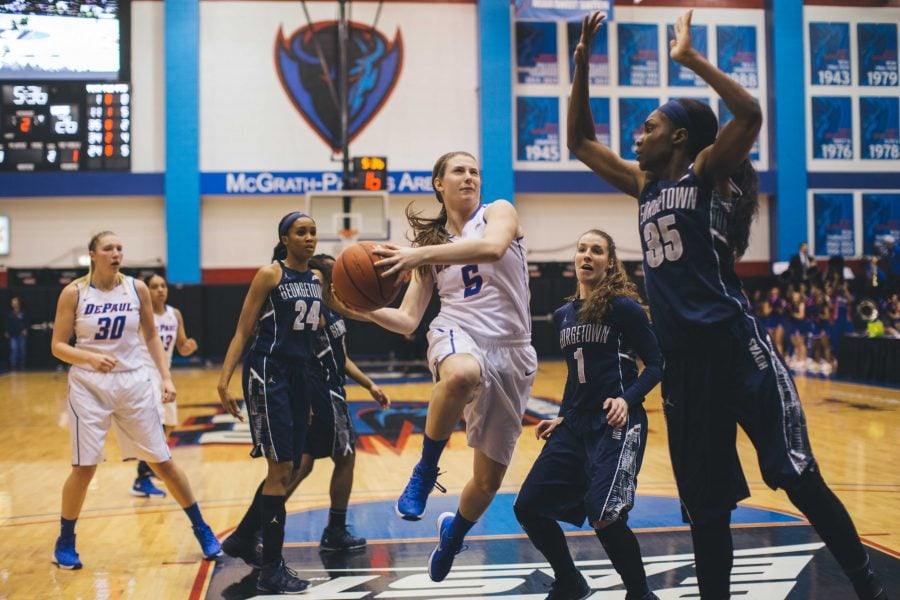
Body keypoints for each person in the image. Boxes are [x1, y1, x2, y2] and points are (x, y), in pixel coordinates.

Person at [568, 11, 886, 600]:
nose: (636, 136)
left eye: (648, 127)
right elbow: (580, 142)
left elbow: (751, 116)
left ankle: (868, 586)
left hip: (736, 349)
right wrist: (582, 66)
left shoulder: (707, 172)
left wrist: (691, 59)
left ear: (680, 138)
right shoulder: (645, 187)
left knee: (796, 476)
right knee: (706, 507)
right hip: (684, 367)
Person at [352, 151, 537, 583]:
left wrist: (419, 256)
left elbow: (492, 249)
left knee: (487, 483)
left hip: (512, 350)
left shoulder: (499, 212)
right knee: (460, 374)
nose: (470, 176)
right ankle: (424, 471)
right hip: (457, 331)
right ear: (439, 183)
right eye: (459, 170)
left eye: (475, 170)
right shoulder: (426, 249)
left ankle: (454, 533)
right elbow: (409, 321)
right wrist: (363, 310)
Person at [49, 231, 220, 570]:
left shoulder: (136, 288)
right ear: (93, 255)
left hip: (134, 382)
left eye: (119, 248)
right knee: (84, 468)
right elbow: (58, 346)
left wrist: (166, 377)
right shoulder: (74, 293)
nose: (115, 253)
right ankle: (65, 541)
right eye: (108, 248)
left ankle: (202, 529)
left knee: (163, 461)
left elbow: (152, 335)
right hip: (90, 384)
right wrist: (88, 358)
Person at [514, 230, 662, 600]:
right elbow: (573, 377)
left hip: (616, 424)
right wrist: (562, 416)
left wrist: (627, 399)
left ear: (609, 262)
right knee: (529, 506)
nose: (587, 255)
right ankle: (570, 580)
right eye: (582, 249)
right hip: (575, 426)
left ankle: (640, 593)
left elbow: (658, 364)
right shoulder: (563, 315)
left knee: (606, 514)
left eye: (597, 250)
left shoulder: (623, 307)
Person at [220, 253, 391, 562]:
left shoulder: (331, 309)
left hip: (324, 389)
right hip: (319, 391)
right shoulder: (314, 311)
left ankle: (246, 533)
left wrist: (369, 384)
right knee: (341, 457)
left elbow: (342, 355)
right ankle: (334, 530)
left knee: (298, 467)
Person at [217, 212, 322, 595]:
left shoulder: (316, 279)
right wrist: (224, 380)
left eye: (312, 232)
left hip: (298, 376)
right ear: (285, 238)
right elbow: (243, 330)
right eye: (301, 232)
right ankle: (272, 569)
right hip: (268, 373)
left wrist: (307, 394)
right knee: (280, 470)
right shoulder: (270, 275)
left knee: (290, 467)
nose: (309, 238)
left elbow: (312, 338)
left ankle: (246, 540)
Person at [131, 273, 199, 498]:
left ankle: (147, 472)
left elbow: (182, 346)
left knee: (169, 425)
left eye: (162, 286)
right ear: (146, 291)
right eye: (154, 286)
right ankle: (145, 474)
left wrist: (189, 347)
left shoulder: (174, 314)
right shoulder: (141, 314)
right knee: (156, 425)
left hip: (164, 374)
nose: (160, 290)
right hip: (144, 373)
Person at [5, 296, 28, 371]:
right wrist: (7, 331)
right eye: (13, 302)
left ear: (19, 303)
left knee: (22, 349)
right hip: (13, 334)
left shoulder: (23, 312)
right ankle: (13, 365)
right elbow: (7, 323)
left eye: (16, 302)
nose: (14, 303)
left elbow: (27, 322)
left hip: (21, 334)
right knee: (14, 349)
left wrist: (25, 329)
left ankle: (22, 364)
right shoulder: (9, 313)